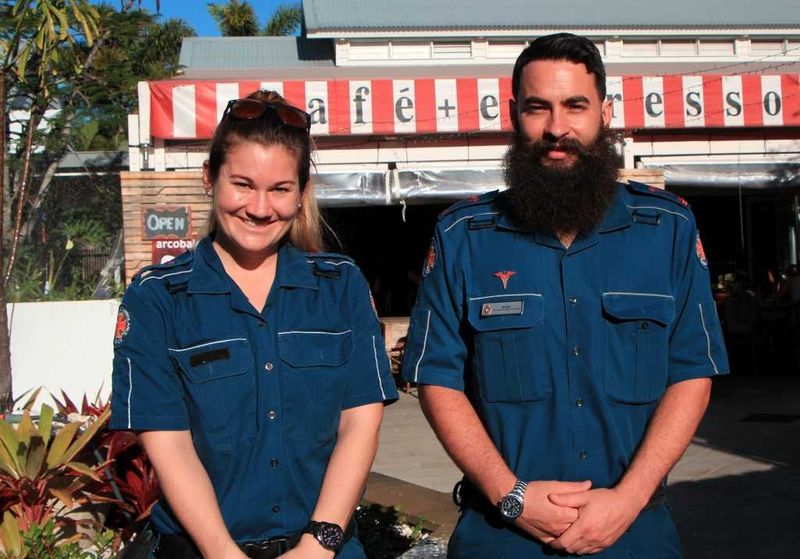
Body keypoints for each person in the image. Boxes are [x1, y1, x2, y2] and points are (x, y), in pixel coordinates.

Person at [401, 33, 729, 558]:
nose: (557, 128)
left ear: (605, 110)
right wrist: (511, 496)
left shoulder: (667, 228)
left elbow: (692, 371)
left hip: (634, 531)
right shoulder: (463, 236)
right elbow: (437, 378)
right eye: (538, 108)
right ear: (514, 115)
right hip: (502, 534)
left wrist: (627, 498)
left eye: (575, 106)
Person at [110, 89, 398, 559]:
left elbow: (360, 423)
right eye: (242, 184)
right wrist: (224, 553)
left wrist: (320, 543)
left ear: (301, 193)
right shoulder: (158, 297)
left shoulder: (340, 286)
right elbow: (170, 447)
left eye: (280, 189)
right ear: (210, 178)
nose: (260, 209)